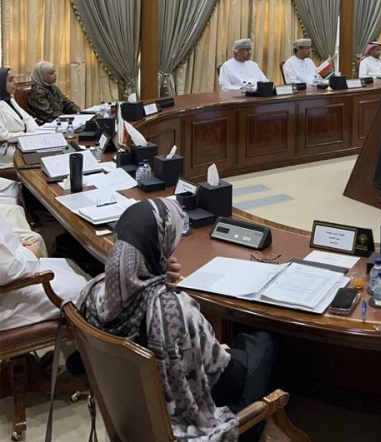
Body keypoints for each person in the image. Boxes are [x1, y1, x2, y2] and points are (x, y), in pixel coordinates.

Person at [76, 199, 274, 442]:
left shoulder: (93, 292)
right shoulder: (174, 312)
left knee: (239, 345)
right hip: (179, 425)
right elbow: (229, 381)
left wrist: (158, 277)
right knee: (263, 343)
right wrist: (217, 351)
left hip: (131, 414)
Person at [1, 210, 89, 331]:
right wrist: (31, 254)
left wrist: (18, 243)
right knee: (85, 288)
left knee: (70, 265)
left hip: (15, 266)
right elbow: (7, 271)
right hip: (8, 294)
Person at [0, 68, 37, 169]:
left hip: (24, 142)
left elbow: (28, 119)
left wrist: (35, 132)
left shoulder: (10, 100)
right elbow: (4, 136)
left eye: (15, 78)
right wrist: (28, 136)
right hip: (8, 150)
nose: (16, 82)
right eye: (11, 80)